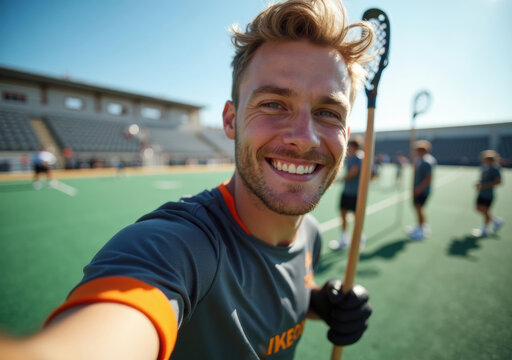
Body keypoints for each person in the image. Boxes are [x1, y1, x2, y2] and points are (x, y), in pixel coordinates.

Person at [0, 1, 374, 359]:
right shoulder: (181, 247)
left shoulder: (310, 232)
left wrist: (316, 301)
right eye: (274, 104)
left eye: (328, 112)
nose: (304, 136)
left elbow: (278, 288)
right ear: (230, 120)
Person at [329, 136, 365, 250]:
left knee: (356, 217)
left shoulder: (358, 157)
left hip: (355, 194)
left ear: (355, 147)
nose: (349, 149)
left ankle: (359, 238)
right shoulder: (350, 157)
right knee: (343, 214)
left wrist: (341, 179)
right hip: (347, 192)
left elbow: (354, 172)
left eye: (351, 147)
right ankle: (343, 239)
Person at [408, 140, 436, 240]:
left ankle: (422, 229)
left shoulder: (427, 161)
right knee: (417, 208)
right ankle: (420, 225)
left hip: (422, 191)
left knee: (419, 208)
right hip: (417, 189)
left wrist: (419, 189)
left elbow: (428, 178)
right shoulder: (419, 160)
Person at [473, 150, 503, 237]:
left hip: (488, 194)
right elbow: (483, 179)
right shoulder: (485, 167)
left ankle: (485, 229)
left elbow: (498, 181)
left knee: (485, 211)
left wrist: (484, 186)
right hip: (482, 193)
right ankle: (496, 221)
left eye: (485, 159)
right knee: (479, 209)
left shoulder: (495, 168)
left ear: (490, 160)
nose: (483, 160)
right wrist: (479, 183)